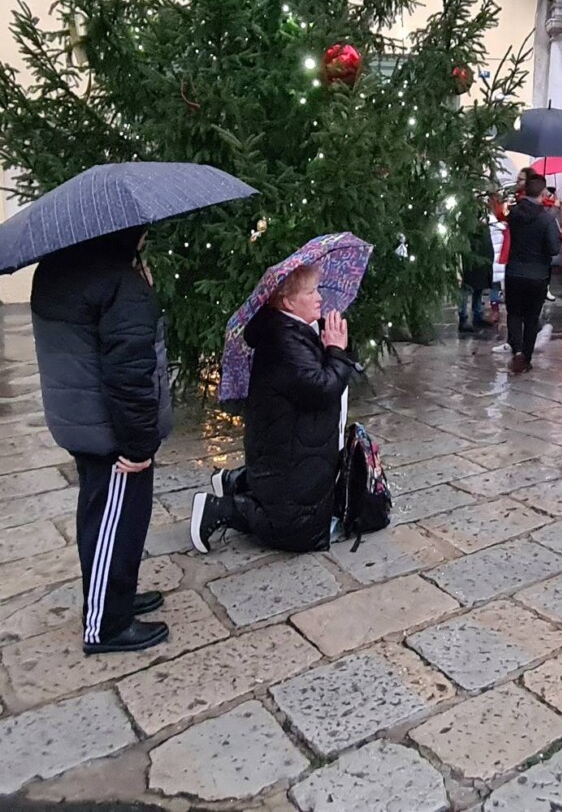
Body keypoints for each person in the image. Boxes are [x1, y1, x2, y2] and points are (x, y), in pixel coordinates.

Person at [33, 227, 173, 655]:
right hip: (112, 432)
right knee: (117, 522)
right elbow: (129, 373)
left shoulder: (60, 268)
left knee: (104, 517)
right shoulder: (119, 283)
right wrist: (136, 445)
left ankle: (113, 597)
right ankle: (106, 626)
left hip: (83, 422)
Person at [190, 265, 357, 554]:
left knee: (308, 512)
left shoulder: (296, 329)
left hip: (289, 448)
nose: (319, 298)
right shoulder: (284, 339)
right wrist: (336, 352)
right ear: (287, 301)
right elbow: (320, 389)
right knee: (297, 533)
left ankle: (236, 480)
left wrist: (329, 346)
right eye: (310, 292)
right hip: (287, 450)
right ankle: (221, 508)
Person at [505, 173, 562, 373]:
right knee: (531, 317)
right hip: (537, 274)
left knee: (513, 314)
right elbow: (553, 249)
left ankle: (518, 351)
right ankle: (526, 359)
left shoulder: (514, 214)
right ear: (542, 192)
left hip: (514, 271)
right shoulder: (546, 219)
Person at [459, 218, 495, 336]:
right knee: (467, 289)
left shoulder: (484, 224)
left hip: (482, 259)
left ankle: (478, 315)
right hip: (471, 260)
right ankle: (463, 318)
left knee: (478, 288)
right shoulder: (466, 224)